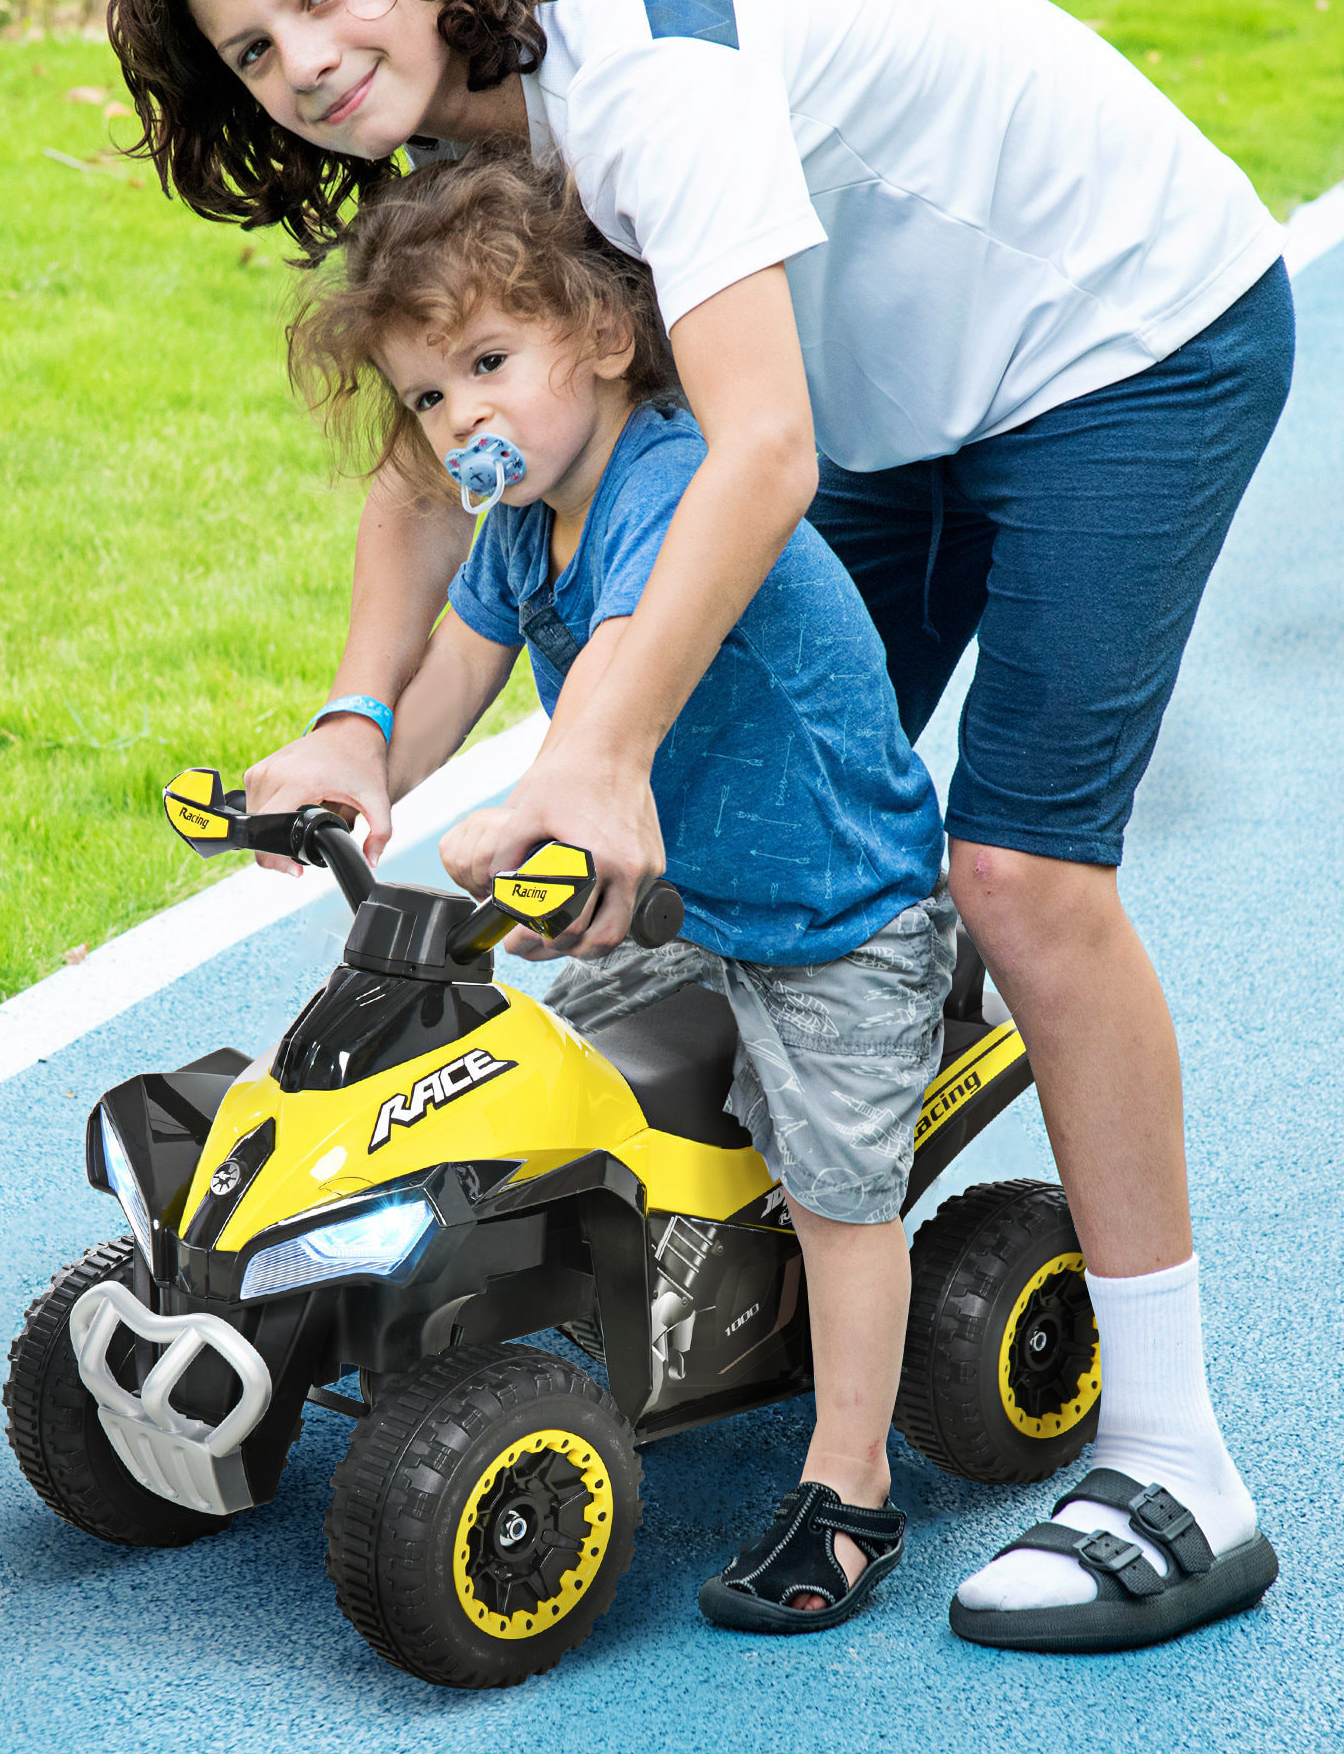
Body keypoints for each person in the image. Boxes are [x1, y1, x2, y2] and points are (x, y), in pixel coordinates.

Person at [109, 0, 1291, 1650]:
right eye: (254, 48)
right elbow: (442, 472)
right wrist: (354, 721)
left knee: (1014, 875)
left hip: (1116, 339)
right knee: (770, 792)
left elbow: (760, 446)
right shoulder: (450, 157)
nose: (306, 61)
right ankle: (744, 1253)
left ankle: (1174, 1462)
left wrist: (596, 745)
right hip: (900, 392)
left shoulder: (645, 88)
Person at [289, 142, 953, 1631]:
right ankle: (654, 1314)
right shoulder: (522, 517)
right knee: (568, 1085)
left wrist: (531, 815)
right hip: (683, 907)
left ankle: (850, 1486)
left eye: (486, 361)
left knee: (842, 1184)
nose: (460, 415)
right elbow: (456, 666)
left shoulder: (664, 481)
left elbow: (615, 690)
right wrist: (365, 750)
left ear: (599, 337)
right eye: (427, 394)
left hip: (833, 914)